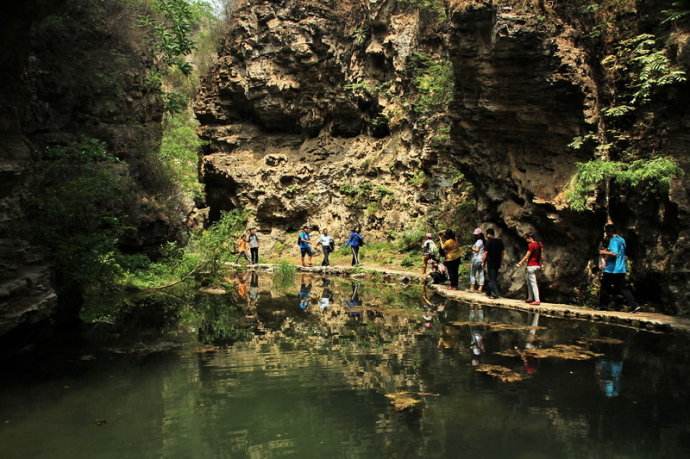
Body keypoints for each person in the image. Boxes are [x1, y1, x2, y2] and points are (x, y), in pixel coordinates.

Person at [598, 224, 639, 312]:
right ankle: (634, 305)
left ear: (610, 232)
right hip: (621, 268)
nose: (606, 233)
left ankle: (603, 306)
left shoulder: (613, 240)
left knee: (604, 287)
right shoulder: (621, 239)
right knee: (623, 288)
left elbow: (614, 253)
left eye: (606, 231)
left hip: (611, 269)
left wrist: (602, 251)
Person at [516, 232, 543, 305]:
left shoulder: (531, 245)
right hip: (536, 265)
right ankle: (530, 298)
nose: (526, 240)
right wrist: (541, 264)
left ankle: (537, 300)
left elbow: (527, 255)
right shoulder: (539, 244)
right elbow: (540, 255)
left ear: (530, 238)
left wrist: (520, 263)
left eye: (526, 239)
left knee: (533, 283)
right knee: (529, 282)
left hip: (531, 266)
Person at [484, 228, 504, 299]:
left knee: (492, 278)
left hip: (491, 262)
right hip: (498, 262)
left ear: (488, 234)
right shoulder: (499, 241)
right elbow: (502, 253)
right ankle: (488, 292)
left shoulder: (488, 242)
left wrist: (483, 262)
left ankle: (495, 294)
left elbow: (485, 253)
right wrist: (501, 261)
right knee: (494, 277)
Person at [469, 228, 485, 292]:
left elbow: (477, 250)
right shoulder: (483, 241)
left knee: (472, 273)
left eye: (476, 235)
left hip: (476, 259)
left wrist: (471, 248)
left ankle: (472, 288)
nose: (475, 236)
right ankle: (480, 288)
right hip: (481, 259)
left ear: (479, 235)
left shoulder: (479, 241)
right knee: (481, 273)